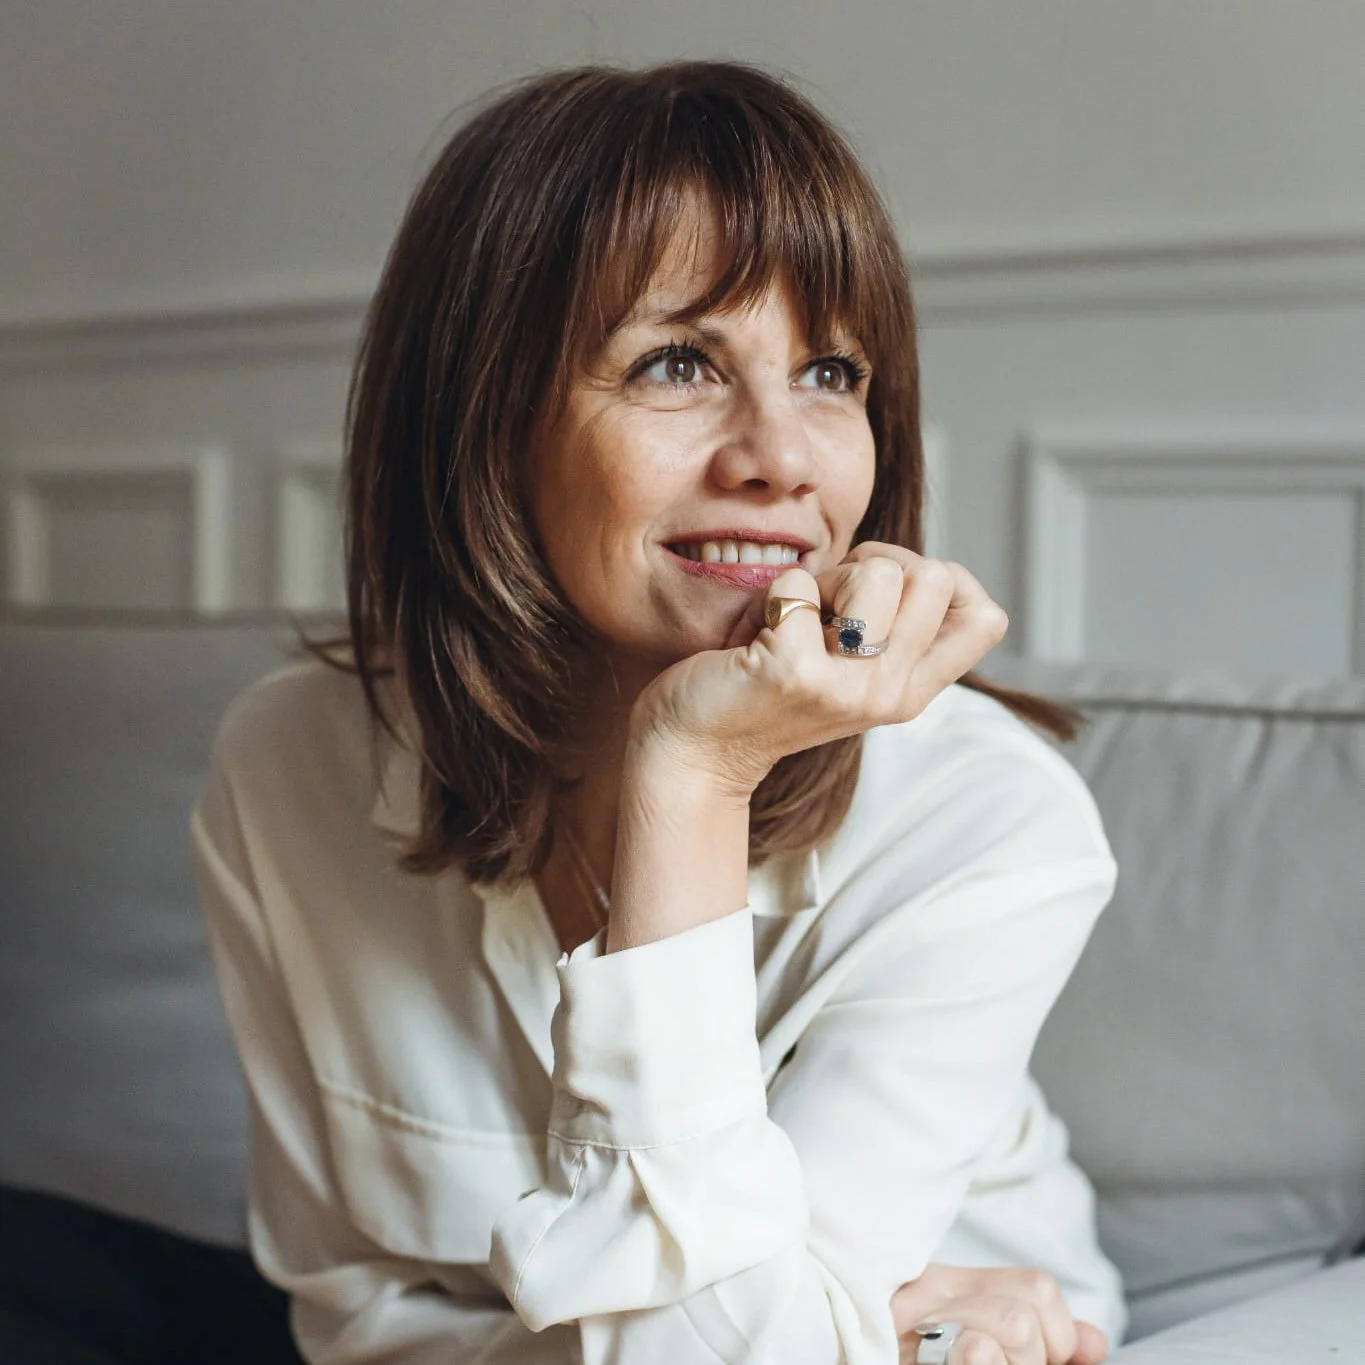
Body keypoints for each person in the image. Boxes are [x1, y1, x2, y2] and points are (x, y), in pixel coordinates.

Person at [194, 60, 1126, 1365]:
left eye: (832, 372)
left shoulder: (986, 821)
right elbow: (357, 1321)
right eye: (678, 363)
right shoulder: (287, 764)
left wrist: (691, 777)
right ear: (480, 419)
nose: (782, 459)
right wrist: (825, 1341)